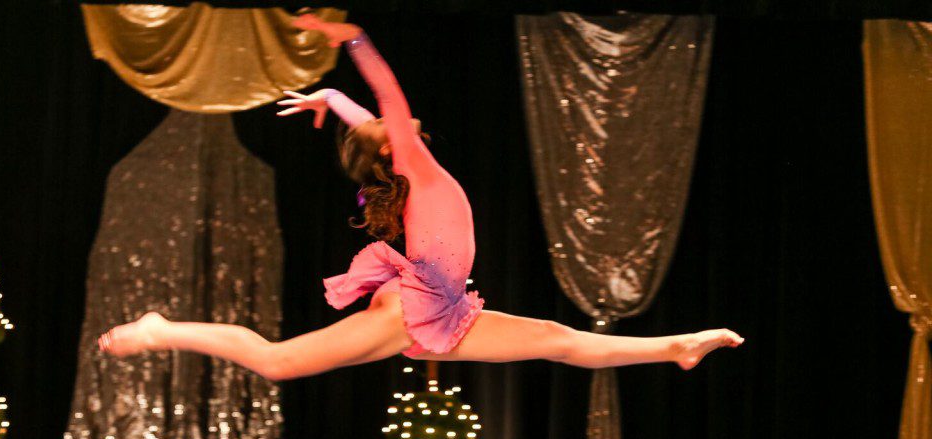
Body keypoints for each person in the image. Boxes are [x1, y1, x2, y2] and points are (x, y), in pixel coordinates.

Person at [99, 15, 743, 378]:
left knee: (559, 339)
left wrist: (328, 99)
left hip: (439, 308)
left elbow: (371, 121)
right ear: (388, 148)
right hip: (412, 308)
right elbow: (387, 99)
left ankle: (677, 345)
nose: (396, 127)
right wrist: (350, 39)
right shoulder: (409, 157)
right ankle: (162, 331)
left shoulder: (414, 168)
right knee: (275, 363)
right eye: (388, 133)